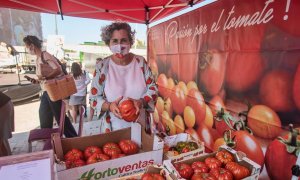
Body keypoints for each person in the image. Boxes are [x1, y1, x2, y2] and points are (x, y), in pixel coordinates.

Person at [89, 22, 158, 132]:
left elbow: (153, 89)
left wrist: (141, 101)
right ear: (109, 43)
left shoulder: (140, 62)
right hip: (112, 130)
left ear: (130, 42)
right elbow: (93, 98)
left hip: (141, 127)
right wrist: (109, 106)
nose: (119, 45)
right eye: (115, 41)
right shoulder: (102, 66)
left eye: (124, 40)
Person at [23, 35, 77, 138]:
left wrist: (46, 78)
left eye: (27, 46)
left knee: (59, 117)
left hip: (53, 91)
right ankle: (48, 137)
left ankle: (73, 138)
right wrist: (36, 80)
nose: (27, 49)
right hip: (46, 91)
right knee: (44, 114)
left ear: (32, 46)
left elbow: (58, 69)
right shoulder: (38, 59)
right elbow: (43, 78)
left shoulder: (45, 55)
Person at [0, 92, 14, 156]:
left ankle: (5, 160)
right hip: (5, 103)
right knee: (2, 138)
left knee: (1, 137)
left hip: (2, 106)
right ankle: (8, 158)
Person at [88, 57, 102, 121]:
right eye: (96, 62)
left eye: (98, 62)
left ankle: (98, 120)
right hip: (93, 91)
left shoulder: (103, 71)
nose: (97, 64)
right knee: (92, 106)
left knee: (99, 106)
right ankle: (90, 120)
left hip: (100, 92)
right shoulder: (95, 70)